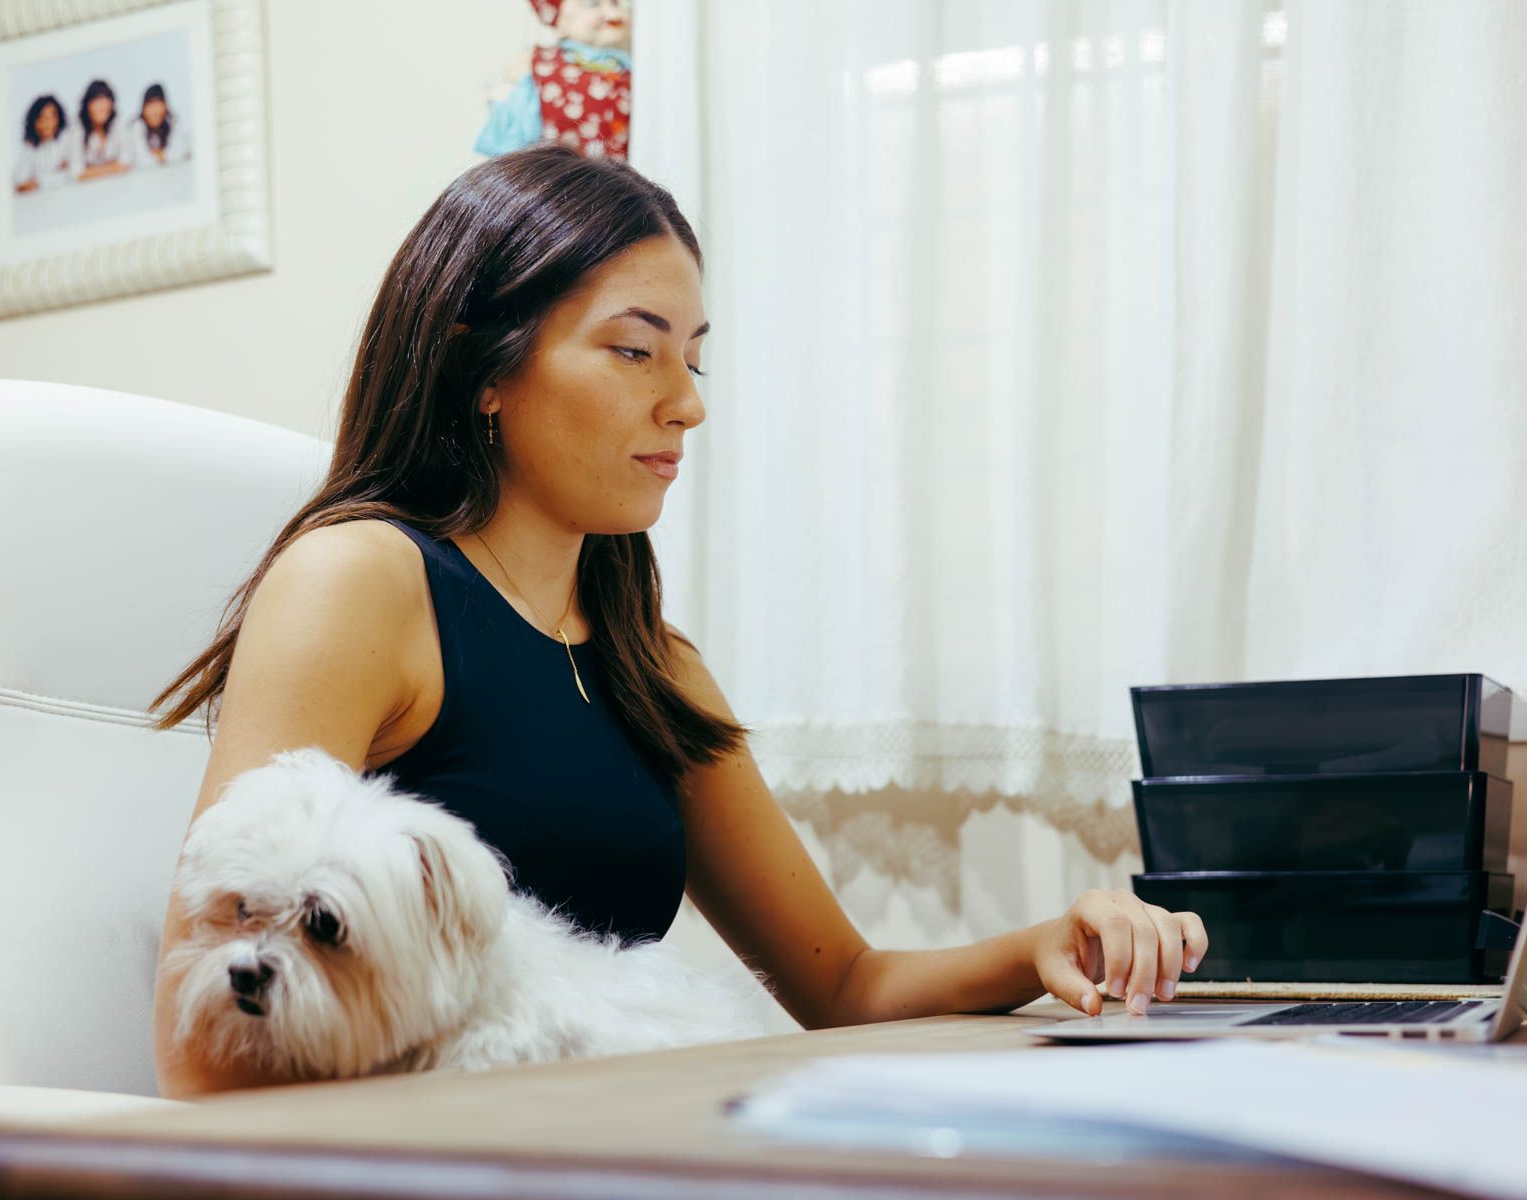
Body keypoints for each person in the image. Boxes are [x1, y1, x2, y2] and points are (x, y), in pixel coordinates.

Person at [145, 143, 1209, 1098]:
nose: (687, 403)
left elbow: (843, 984)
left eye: (692, 357)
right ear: (483, 370)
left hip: (640, 1136)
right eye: (634, 350)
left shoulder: (653, 665)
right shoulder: (358, 582)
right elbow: (203, 1047)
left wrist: (1045, 947)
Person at [71, 78, 130, 181]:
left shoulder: (117, 123)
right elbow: (76, 172)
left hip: (118, 183)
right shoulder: (77, 128)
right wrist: (113, 166)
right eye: (97, 101)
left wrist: (90, 169)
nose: (102, 106)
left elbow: (126, 162)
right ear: (88, 104)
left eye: (106, 100)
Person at [12, 95, 71, 192]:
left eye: (51, 117)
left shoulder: (65, 140)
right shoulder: (29, 148)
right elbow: (21, 185)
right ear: (35, 122)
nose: (47, 123)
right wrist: (55, 175)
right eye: (42, 117)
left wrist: (37, 182)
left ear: (58, 119)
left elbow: (73, 173)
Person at [124, 83, 190, 169]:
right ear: (143, 109)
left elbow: (181, 153)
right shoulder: (136, 126)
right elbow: (141, 161)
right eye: (151, 106)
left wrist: (158, 154)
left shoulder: (172, 121)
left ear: (165, 106)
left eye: (158, 105)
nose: (155, 111)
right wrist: (164, 155)